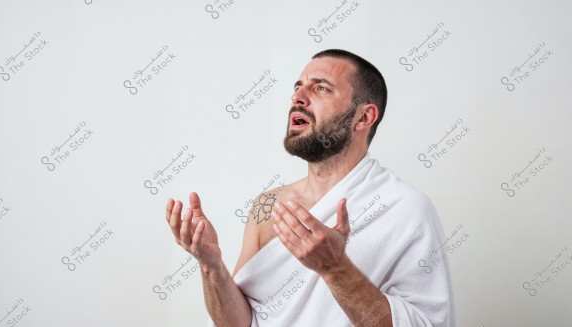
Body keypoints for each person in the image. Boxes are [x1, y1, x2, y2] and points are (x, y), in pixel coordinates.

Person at [165, 49, 456, 326]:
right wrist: (211, 265)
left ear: (363, 117)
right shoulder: (268, 206)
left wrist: (335, 268)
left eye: (321, 88)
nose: (298, 97)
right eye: (298, 86)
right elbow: (238, 324)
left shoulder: (404, 208)